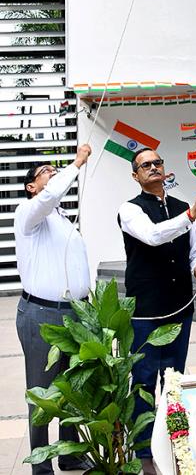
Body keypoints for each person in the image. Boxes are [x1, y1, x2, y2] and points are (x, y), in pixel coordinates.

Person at [118, 146, 196, 475]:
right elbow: (154, 236)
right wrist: (190, 217)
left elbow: (195, 249)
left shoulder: (184, 206)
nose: (154, 167)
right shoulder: (129, 210)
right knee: (143, 383)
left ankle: (175, 441)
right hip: (145, 311)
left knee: (174, 380)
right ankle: (143, 452)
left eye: (158, 162)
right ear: (136, 175)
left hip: (179, 306)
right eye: (146, 165)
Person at [15, 144, 93, 475]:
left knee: (72, 387)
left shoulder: (59, 217)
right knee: (42, 392)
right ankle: (41, 465)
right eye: (45, 172)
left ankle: (69, 454)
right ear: (31, 186)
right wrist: (75, 164)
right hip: (41, 315)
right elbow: (48, 199)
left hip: (74, 312)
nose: (53, 174)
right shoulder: (29, 211)